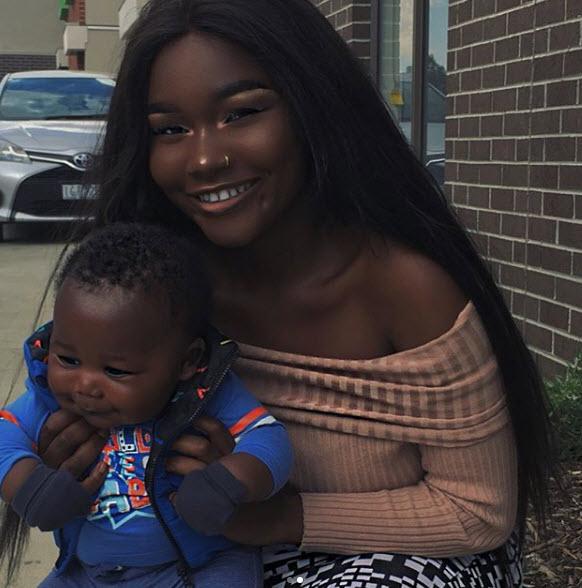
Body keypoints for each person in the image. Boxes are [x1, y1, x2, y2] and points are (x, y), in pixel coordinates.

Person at [27, 0, 555, 586]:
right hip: (208, 557)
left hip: (407, 554)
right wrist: (61, 460)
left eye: (241, 113)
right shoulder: (154, 293)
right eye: (170, 130)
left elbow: (476, 513)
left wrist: (275, 517)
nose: (205, 158)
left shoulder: (404, 289)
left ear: (313, 107)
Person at [0, 223, 293, 587]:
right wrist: (28, 486)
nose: (85, 385)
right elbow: (5, 432)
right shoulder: (46, 394)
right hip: (86, 574)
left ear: (187, 362)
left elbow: (269, 438)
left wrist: (229, 482)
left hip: (195, 568)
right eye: (68, 359)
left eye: (116, 370)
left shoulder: (206, 392)